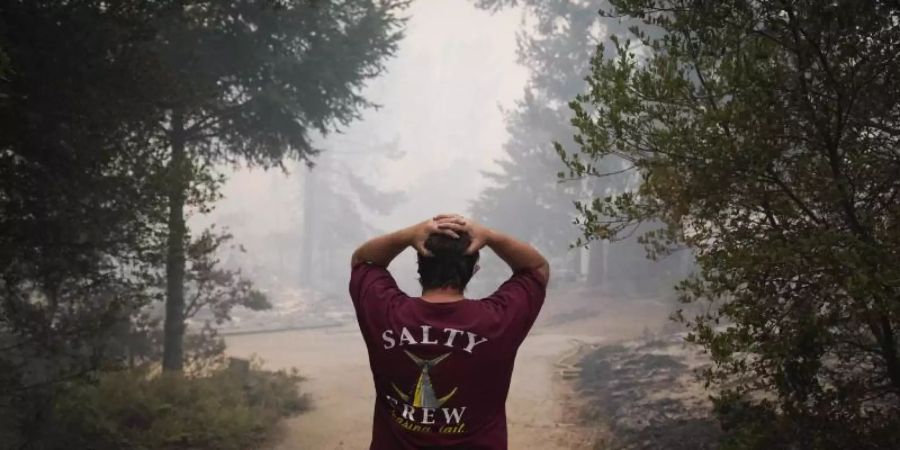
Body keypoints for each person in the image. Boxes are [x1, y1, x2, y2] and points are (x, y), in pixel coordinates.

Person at [349, 213, 550, 450]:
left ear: (420, 264)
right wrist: (491, 236)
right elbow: (537, 267)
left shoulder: (386, 312)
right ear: (474, 270)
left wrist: (408, 235)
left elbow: (364, 260)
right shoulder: (496, 321)